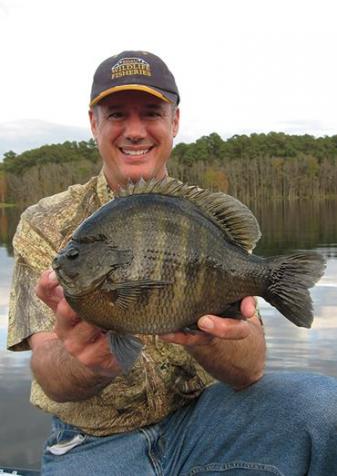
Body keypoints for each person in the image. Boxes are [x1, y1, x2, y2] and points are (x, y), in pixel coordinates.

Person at [7, 50, 337, 476]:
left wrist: (212, 338)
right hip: (94, 445)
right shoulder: (44, 225)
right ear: (94, 123)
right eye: (116, 115)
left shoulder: (199, 214)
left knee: (324, 408)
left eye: (151, 113)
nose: (135, 130)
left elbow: (251, 366)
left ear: (174, 122)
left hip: (206, 424)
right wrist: (82, 361)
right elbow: (49, 370)